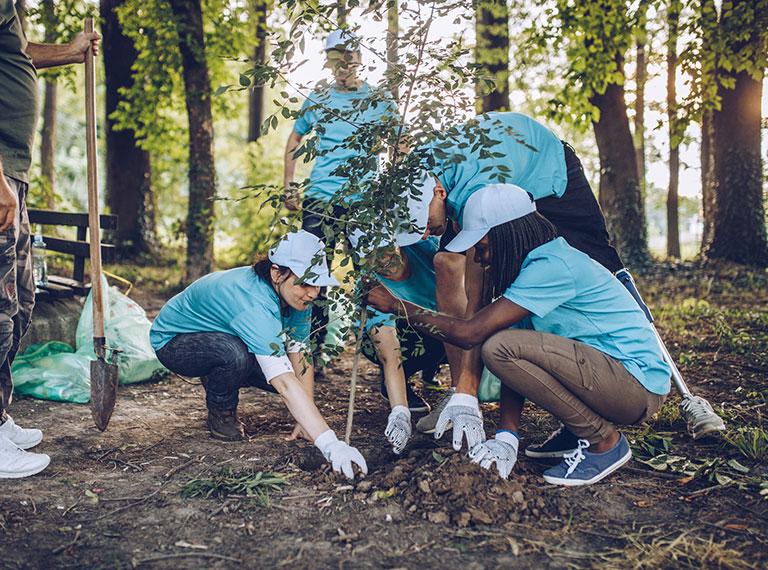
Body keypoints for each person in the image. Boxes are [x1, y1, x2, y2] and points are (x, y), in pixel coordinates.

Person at [367, 184, 671, 486]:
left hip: (635, 386)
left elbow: (472, 334)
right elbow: (513, 362)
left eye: (483, 248)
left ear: (507, 235)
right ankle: (578, 429)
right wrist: (506, 437)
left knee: (498, 346)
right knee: (504, 345)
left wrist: (398, 306)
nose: (481, 259)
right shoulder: (529, 272)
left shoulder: (551, 265)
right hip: (612, 379)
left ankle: (604, 443)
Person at [414, 111, 649, 435]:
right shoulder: (416, 175)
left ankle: (469, 392)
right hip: (490, 170)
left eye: (424, 223)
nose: (424, 234)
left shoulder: (482, 190)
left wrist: (401, 308)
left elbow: (478, 297)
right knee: (449, 265)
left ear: (438, 193)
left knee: (592, 252)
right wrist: (504, 434)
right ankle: (458, 391)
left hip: (546, 166)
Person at [150, 231, 367, 480]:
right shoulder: (254, 304)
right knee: (235, 356)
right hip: (175, 343)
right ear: (277, 273)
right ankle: (221, 411)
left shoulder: (296, 297)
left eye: (317, 284)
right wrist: (330, 444)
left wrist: (308, 422)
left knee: (288, 377)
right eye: (306, 283)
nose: (313, 293)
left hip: (223, 334)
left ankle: (220, 373)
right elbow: (284, 382)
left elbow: (300, 352)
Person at [0, 1, 100, 478]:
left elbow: (17, 54)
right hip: (0, 173)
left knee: (19, 302)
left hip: (11, 175)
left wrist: (72, 50)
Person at [283, 29, 397, 379]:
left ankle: (387, 361)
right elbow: (295, 137)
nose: (343, 65)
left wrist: (393, 186)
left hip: (364, 201)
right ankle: (309, 357)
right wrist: (289, 185)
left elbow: (400, 139)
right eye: (336, 59)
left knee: (374, 276)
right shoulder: (318, 97)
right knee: (310, 275)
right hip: (320, 200)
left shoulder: (378, 99)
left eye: (349, 57)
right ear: (329, 62)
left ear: (360, 58)